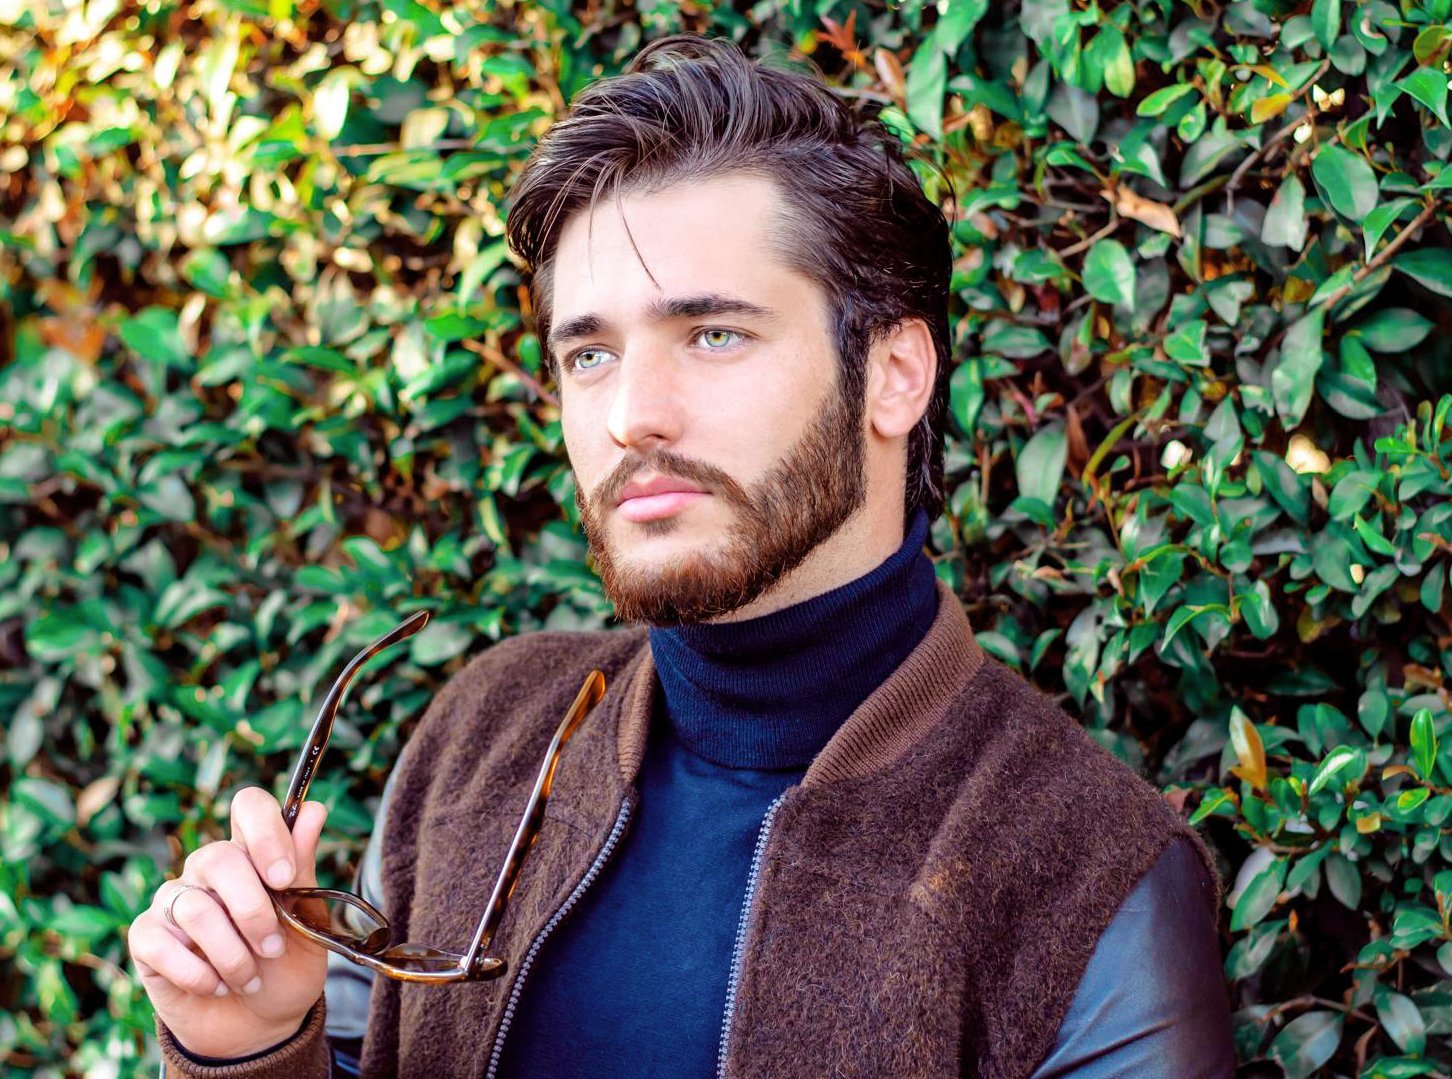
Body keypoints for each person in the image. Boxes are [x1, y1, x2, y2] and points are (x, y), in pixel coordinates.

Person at [128, 34, 1235, 1078]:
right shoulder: (484, 735)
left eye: (714, 334)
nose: (631, 415)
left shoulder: (1090, 871)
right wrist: (249, 1044)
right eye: (590, 354)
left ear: (895, 373)